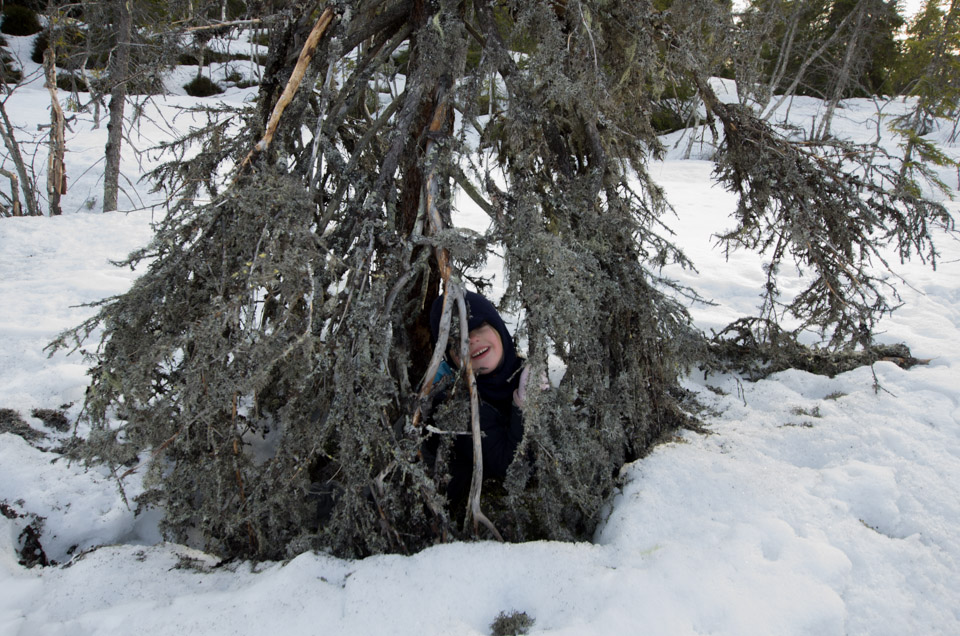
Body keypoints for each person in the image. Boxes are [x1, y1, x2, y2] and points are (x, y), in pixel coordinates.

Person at [428, 291, 536, 501]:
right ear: (451, 358)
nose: (471, 340)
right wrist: (523, 405)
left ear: (498, 326)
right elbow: (512, 469)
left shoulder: (522, 371)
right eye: (456, 340)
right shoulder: (454, 404)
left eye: (478, 326)